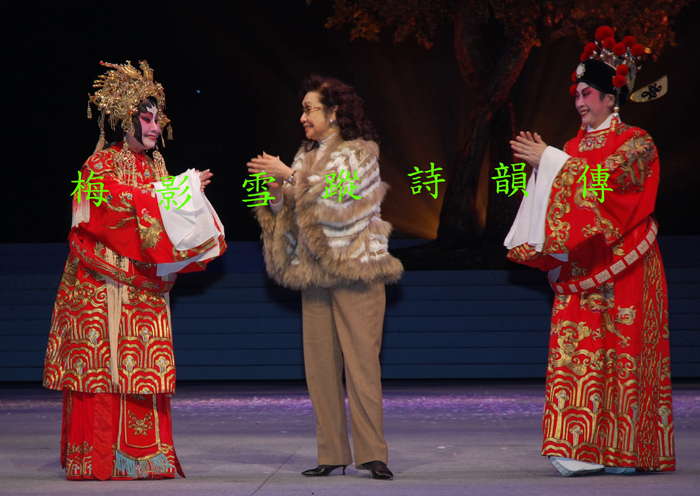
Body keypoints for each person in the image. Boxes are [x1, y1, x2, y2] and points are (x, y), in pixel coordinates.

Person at [43, 60, 226, 480]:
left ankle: (145, 456)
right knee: (105, 368)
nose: (155, 127)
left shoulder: (157, 166)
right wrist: (179, 190)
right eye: (147, 119)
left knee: (141, 365)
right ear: (125, 119)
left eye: (158, 119)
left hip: (144, 285)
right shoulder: (97, 166)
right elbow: (110, 211)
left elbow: (166, 219)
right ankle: (99, 457)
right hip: (101, 284)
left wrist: (184, 193)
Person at [504, 26, 674, 476]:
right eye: (577, 95)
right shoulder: (574, 147)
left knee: (624, 353)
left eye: (587, 94)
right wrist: (546, 166)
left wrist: (551, 161)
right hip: (583, 266)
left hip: (628, 263)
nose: (579, 102)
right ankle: (578, 447)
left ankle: (626, 450)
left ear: (610, 98)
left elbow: (615, 187)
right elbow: (565, 193)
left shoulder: (637, 142)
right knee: (579, 353)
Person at [247, 75, 403, 480]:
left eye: (309, 109)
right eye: (302, 110)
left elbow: (342, 197)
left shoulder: (361, 152)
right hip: (315, 274)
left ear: (333, 112)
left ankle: (372, 453)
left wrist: (290, 176)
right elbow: (294, 213)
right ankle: (331, 452)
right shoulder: (304, 157)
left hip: (355, 270)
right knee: (319, 367)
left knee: (362, 365)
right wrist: (276, 195)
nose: (303, 117)